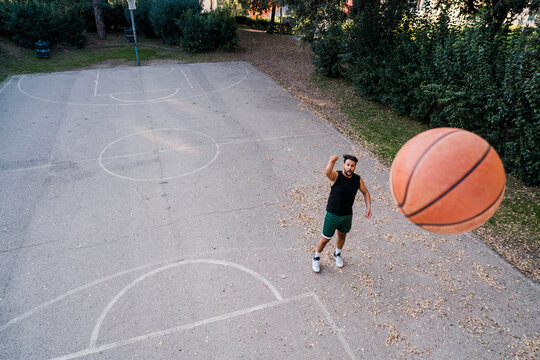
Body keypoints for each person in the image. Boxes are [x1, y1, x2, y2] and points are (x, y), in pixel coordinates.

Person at [312, 154, 372, 273]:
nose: (350, 168)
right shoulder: (336, 176)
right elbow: (328, 173)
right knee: (325, 239)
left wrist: (368, 207)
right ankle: (316, 258)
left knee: (342, 236)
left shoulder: (357, 179)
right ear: (344, 165)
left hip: (347, 215)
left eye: (352, 166)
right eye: (348, 165)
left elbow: (365, 193)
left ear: (355, 167)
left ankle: (337, 254)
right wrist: (331, 162)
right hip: (332, 214)